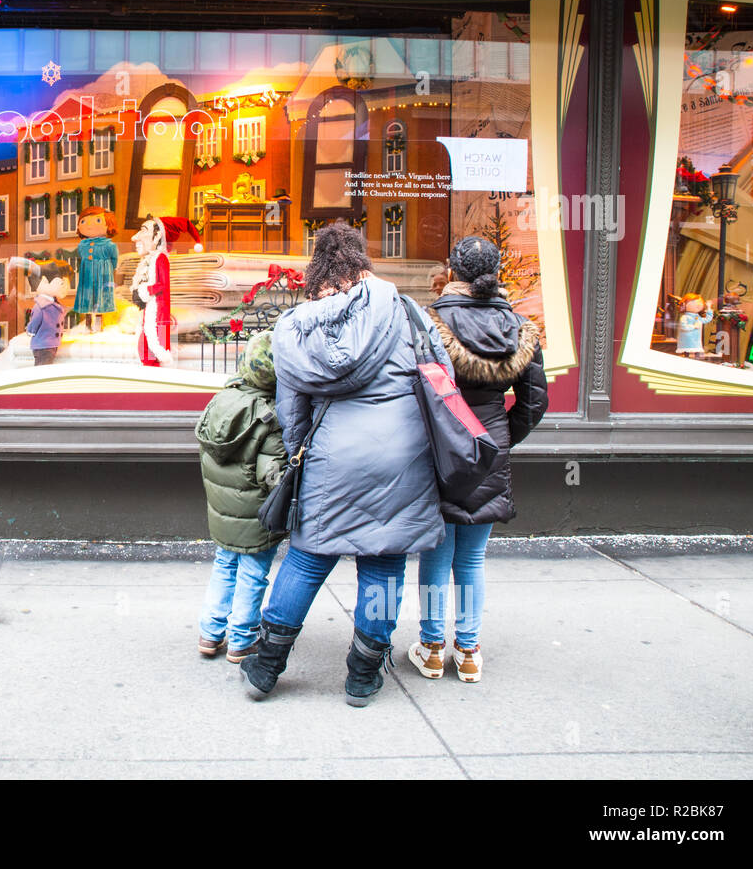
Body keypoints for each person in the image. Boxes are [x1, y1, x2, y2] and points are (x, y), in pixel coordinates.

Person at [239, 222, 452, 707]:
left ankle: (265, 667)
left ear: (318, 271)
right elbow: (442, 376)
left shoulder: (298, 324)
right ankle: (362, 675)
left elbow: (291, 411)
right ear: (362, 263)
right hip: (403, 460)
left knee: (308, 557)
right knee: (383, 561)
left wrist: (302, 454)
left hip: (332, 461)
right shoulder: (406, 311)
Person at [408, 236, 548, 683]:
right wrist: (500, 439)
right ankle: (468, 651)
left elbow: (411, 389)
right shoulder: (521, 328)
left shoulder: (430, 323)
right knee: (471, 559)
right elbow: (533, 404)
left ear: (452, 272)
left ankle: (431, 648)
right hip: (491, 447)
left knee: (436, 551)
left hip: (438, 446)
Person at [195, 329, 286, 663]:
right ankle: (242, 639)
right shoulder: (269, 417)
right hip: (255, 517)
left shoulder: (220, 401)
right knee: (252, 573)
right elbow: (271, 475)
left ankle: (210, 631)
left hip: (222, 512)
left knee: (223, 566)